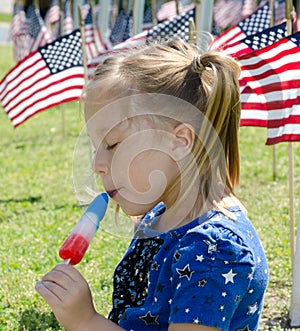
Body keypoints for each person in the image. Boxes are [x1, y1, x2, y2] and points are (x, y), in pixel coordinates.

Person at [35, 37, 268, 331]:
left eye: (113, 143)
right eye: (97, 149)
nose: (97, 165)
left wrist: (86, 321)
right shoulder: (159, 216)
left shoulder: (215, 249)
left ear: (179, 142)